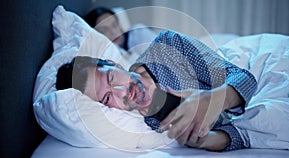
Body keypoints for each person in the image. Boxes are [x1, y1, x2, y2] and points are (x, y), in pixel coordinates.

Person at [56, 30, 257, 151]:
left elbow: (244, 79)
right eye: (107, 97)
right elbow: (244, 137)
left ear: (113, 63)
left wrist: (211, 100)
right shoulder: (150, 125)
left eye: (111, 78)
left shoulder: (168, 45)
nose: (121, 91)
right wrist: (206, 141)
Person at [84, 6, 157, 57]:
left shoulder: (139, 33)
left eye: (115, 25)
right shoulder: (105, 55)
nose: (113, 32)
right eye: (104, 30)